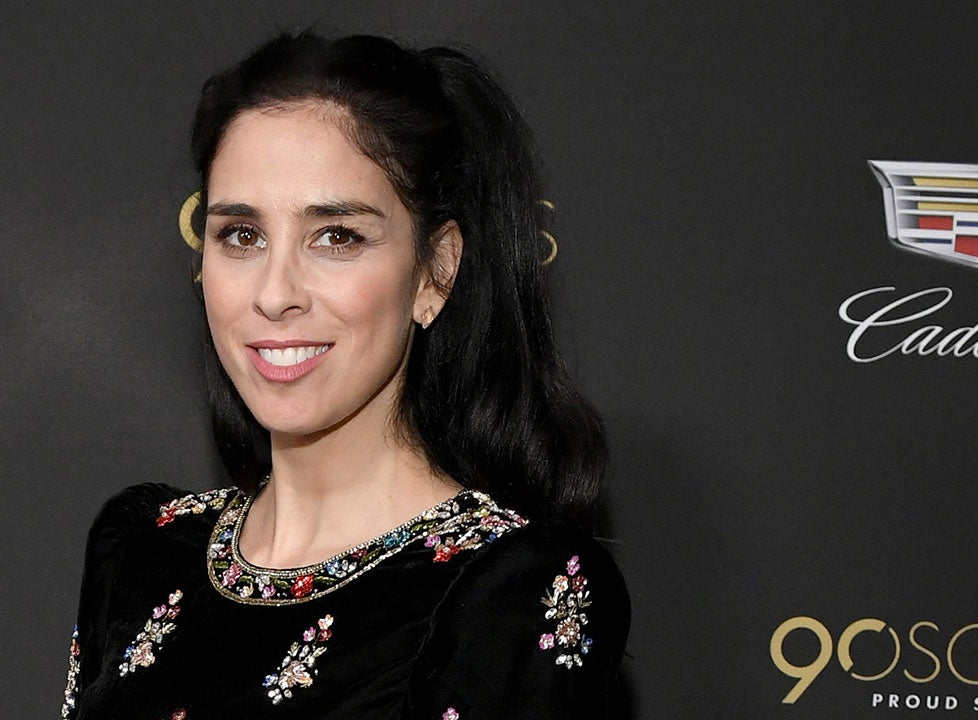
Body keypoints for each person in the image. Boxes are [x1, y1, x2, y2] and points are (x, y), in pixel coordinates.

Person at [62, 32, 629, 720]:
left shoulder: (507, 592)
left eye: (336, 237)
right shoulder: (143, 549)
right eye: (242, 235)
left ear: (435, 272)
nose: (275, 293)